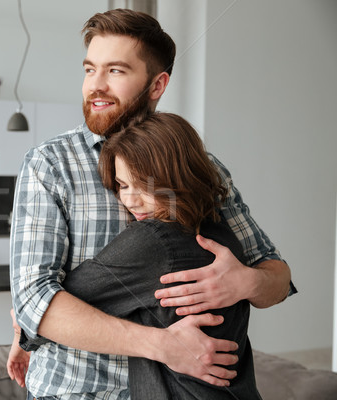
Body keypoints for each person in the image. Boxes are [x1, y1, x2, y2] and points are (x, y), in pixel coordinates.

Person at [10, 9, 293, 400]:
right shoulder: (51, 164)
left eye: (116, 71)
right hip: (75, 392)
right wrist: (162, 345)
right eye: (90, 69)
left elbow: (276, 276)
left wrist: (247, 281)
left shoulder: (205, 169)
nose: (96, 85)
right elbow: (33, 301)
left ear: (157, 84)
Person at [16, 111, 263, 399]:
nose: (130, 200)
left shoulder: (152, 240)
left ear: (175, 176)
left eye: (144, 184)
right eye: (122, 186)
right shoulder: (223, 235)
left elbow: (46, 309)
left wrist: (18, 318)